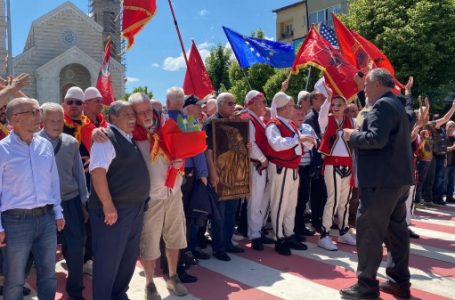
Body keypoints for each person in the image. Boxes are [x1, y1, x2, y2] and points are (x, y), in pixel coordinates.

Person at [341, 69, 414, 299]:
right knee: (396, 233)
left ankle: (366, 285)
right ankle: (399, 281)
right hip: (397, 181)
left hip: (380, 182)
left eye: (366, 84)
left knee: (369, 232)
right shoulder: (397, 104)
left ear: (377, 84)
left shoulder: (382, 106)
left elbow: (375, 139)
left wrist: (352, 135)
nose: (363, 88)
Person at [0, 97, 65, 300]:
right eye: (34, 112)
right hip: (15, 222)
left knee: (48, 275)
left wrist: (57, 212)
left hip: (46, 219)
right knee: (15, 279)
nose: (39, 116)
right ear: (16, 119)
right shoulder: (2, 150)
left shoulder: (44, 145)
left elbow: (53, 181)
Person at [129, 92, 189, 298]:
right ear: (134, 116)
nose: (146, 116)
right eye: (140, 113)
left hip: (173, 192)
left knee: (175, 237)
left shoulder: (168, 128)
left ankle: (173, 277)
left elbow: (180, 152)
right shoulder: (131, 136)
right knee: (150, 242)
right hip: (151, 198)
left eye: (148, 111)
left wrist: (180, 163)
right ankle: (149, 284)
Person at [89, 101, 150, 300]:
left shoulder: (128, 138)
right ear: (112, 117)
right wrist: (108, 205)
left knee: (127, 257)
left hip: (134, 209)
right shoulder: (105, 138)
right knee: (108, 259)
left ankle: (118, 294)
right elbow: (98, 173)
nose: (132, 118)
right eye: (126, 114)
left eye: (133, 114)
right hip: (115, 211)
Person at [39, 103, 89, 300]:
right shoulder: (33, 142)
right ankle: (47, 293)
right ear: (42, 121)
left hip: (71, 202)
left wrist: (84, 202)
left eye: (59, 120)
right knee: (44, 252)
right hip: (44, 206)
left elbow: (79, 173)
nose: (57, 124)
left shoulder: (70, 142)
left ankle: (75, 291)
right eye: (52, 120)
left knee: (77, 248)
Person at [265, 92, 315, 256]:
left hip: (292, 168)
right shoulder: (274, 125)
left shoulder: (290, 125)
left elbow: (297, 146)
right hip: (281, 168)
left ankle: (289, 232)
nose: (294, 108)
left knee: (290, 204)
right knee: (280, 204)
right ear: (284, 108)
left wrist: (308, 143)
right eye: (292, 106)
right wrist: (299, 141)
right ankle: (279, 236)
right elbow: (276, 145)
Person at [204, 92, 244, 261]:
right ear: (220, 104)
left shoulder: (234, 123)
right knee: (219, 213)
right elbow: (208, 151)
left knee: (231, 211)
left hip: (233, 173)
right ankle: (218, 247)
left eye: (234, 103)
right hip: (219, 174)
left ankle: (227, 243)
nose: (233, 106)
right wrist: (212, 172)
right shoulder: (211, 123)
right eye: (230, 103)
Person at [317, 87, 356, 251]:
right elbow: (322, 113)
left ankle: (344, 231)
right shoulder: (326, 120)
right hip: (331, 164)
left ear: (346, 106)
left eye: (339, 104)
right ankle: (324, 235)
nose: (336, 107)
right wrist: (329, 98)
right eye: (334, 104)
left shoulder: (351, 122)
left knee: (344, 201)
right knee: (332, 200)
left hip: (347, 165)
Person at [240, 90, 272, 251]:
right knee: (255, 201)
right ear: (253, 102)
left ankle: (258, 230)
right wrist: (264, 160)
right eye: (263, 101)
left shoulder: (255, 119)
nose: (265, 105)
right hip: (255, 165)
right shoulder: (248, 119)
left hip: (260, 164)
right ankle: (254, 234)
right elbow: (251, 145)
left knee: (261, 201)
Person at [293, 91, 317, 239]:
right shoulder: (290, 128)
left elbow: (313, 143)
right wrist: (302, 142)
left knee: (303, 199)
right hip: (295, 168)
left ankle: (300, 226)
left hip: (307, 168)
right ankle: (292, 229)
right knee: (293, 201)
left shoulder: (307, 127)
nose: (301, 117)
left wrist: (303, 142)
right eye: (298, 114)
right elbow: (300, 146)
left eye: (302, 114)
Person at [444, 121, 455, 203]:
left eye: (453, 126)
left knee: (451, 182)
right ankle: (439, 197)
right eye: (450, 126)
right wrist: (453, 147)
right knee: (443, 181)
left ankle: (449, 197)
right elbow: (443, 149)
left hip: (453, 164)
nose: (451, 128)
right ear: (446, 127)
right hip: (446, 163)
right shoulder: (443, 137)